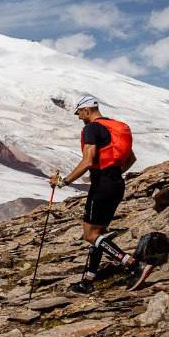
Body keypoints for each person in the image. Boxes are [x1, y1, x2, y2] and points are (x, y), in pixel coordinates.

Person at [49, 94, 144, 292]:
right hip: (116, 183)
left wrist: (65, 181)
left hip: (102, 185)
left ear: (87, 110)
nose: (78, 117)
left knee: (90, 235)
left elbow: (88, 160)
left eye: (79, 113)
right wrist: (112, 173)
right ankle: (88, 281)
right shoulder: (115, 127)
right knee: (99, 235)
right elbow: (131, 158)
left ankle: (132, 264)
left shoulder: (91, 128)